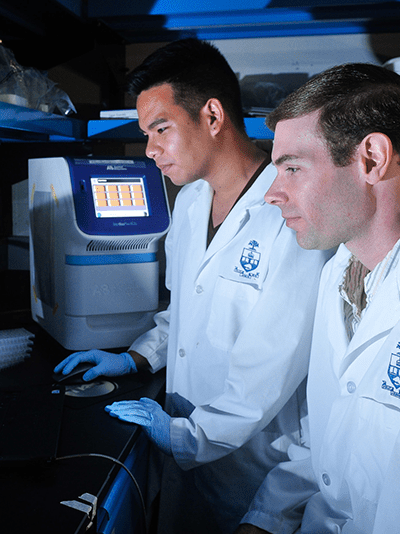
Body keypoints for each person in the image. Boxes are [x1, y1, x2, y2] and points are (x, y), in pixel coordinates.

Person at [53, 39, 331, 533]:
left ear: (213, 115)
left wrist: (188, 435)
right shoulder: (188, 202)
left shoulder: (290, 216)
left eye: (161, 129)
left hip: (252, 474)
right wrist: (137, 357)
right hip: (185, 455)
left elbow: (269, 366)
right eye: (145, 134)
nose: (150, 150)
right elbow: (181, 313)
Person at [239, 63, 400, 534]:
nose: (271, 195)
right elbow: (334, 440)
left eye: (292, 168)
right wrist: (266, 518)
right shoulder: (342, 268)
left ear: (372, 158)